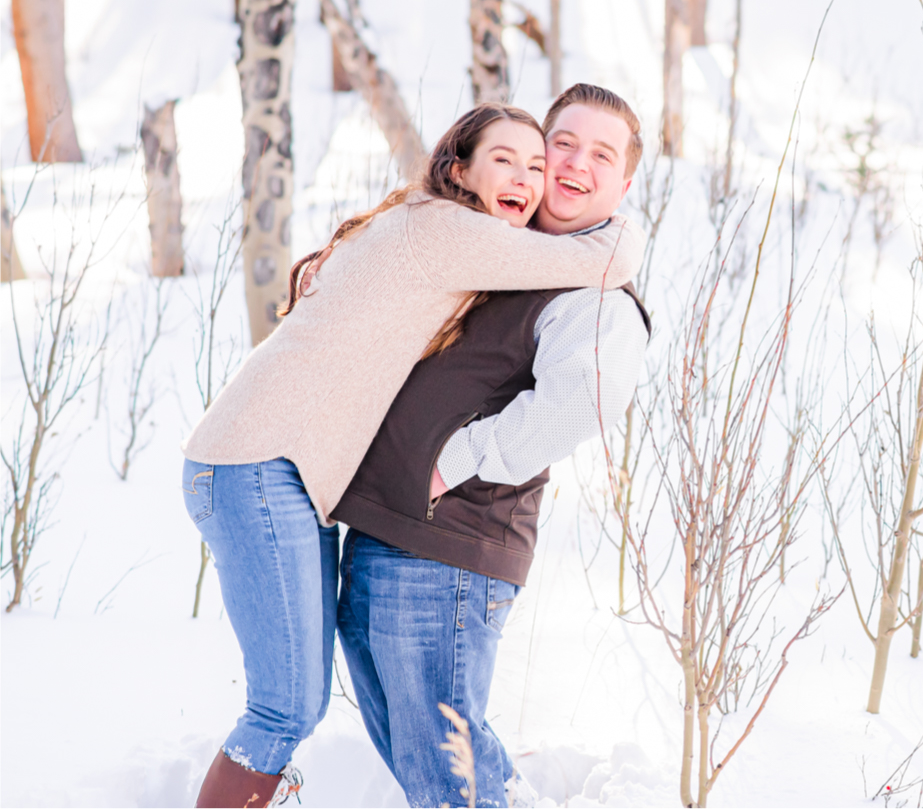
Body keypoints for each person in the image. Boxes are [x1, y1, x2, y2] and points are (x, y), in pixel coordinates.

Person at [182, 104, 644, 808]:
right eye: (515, 158)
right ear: (458, 169)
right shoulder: (454, 232)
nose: (534, 175)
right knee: (291, 707)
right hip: (260, 463)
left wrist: (452, 460)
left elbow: (580, 392)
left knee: (331, 720)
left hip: (302, 482)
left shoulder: (479, 246)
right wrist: (625, 234)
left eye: (537, 164)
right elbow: (596, 255)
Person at [332, 84, 649, 808]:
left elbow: (580, 401)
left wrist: (451, 462)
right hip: (391, 530)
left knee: (445, 775)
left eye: (602, 155)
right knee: (429, 758)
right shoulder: (508, 256)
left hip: (448, 552)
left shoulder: (594, 295)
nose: (574, 164)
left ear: (624, 184)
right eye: (562, 143)